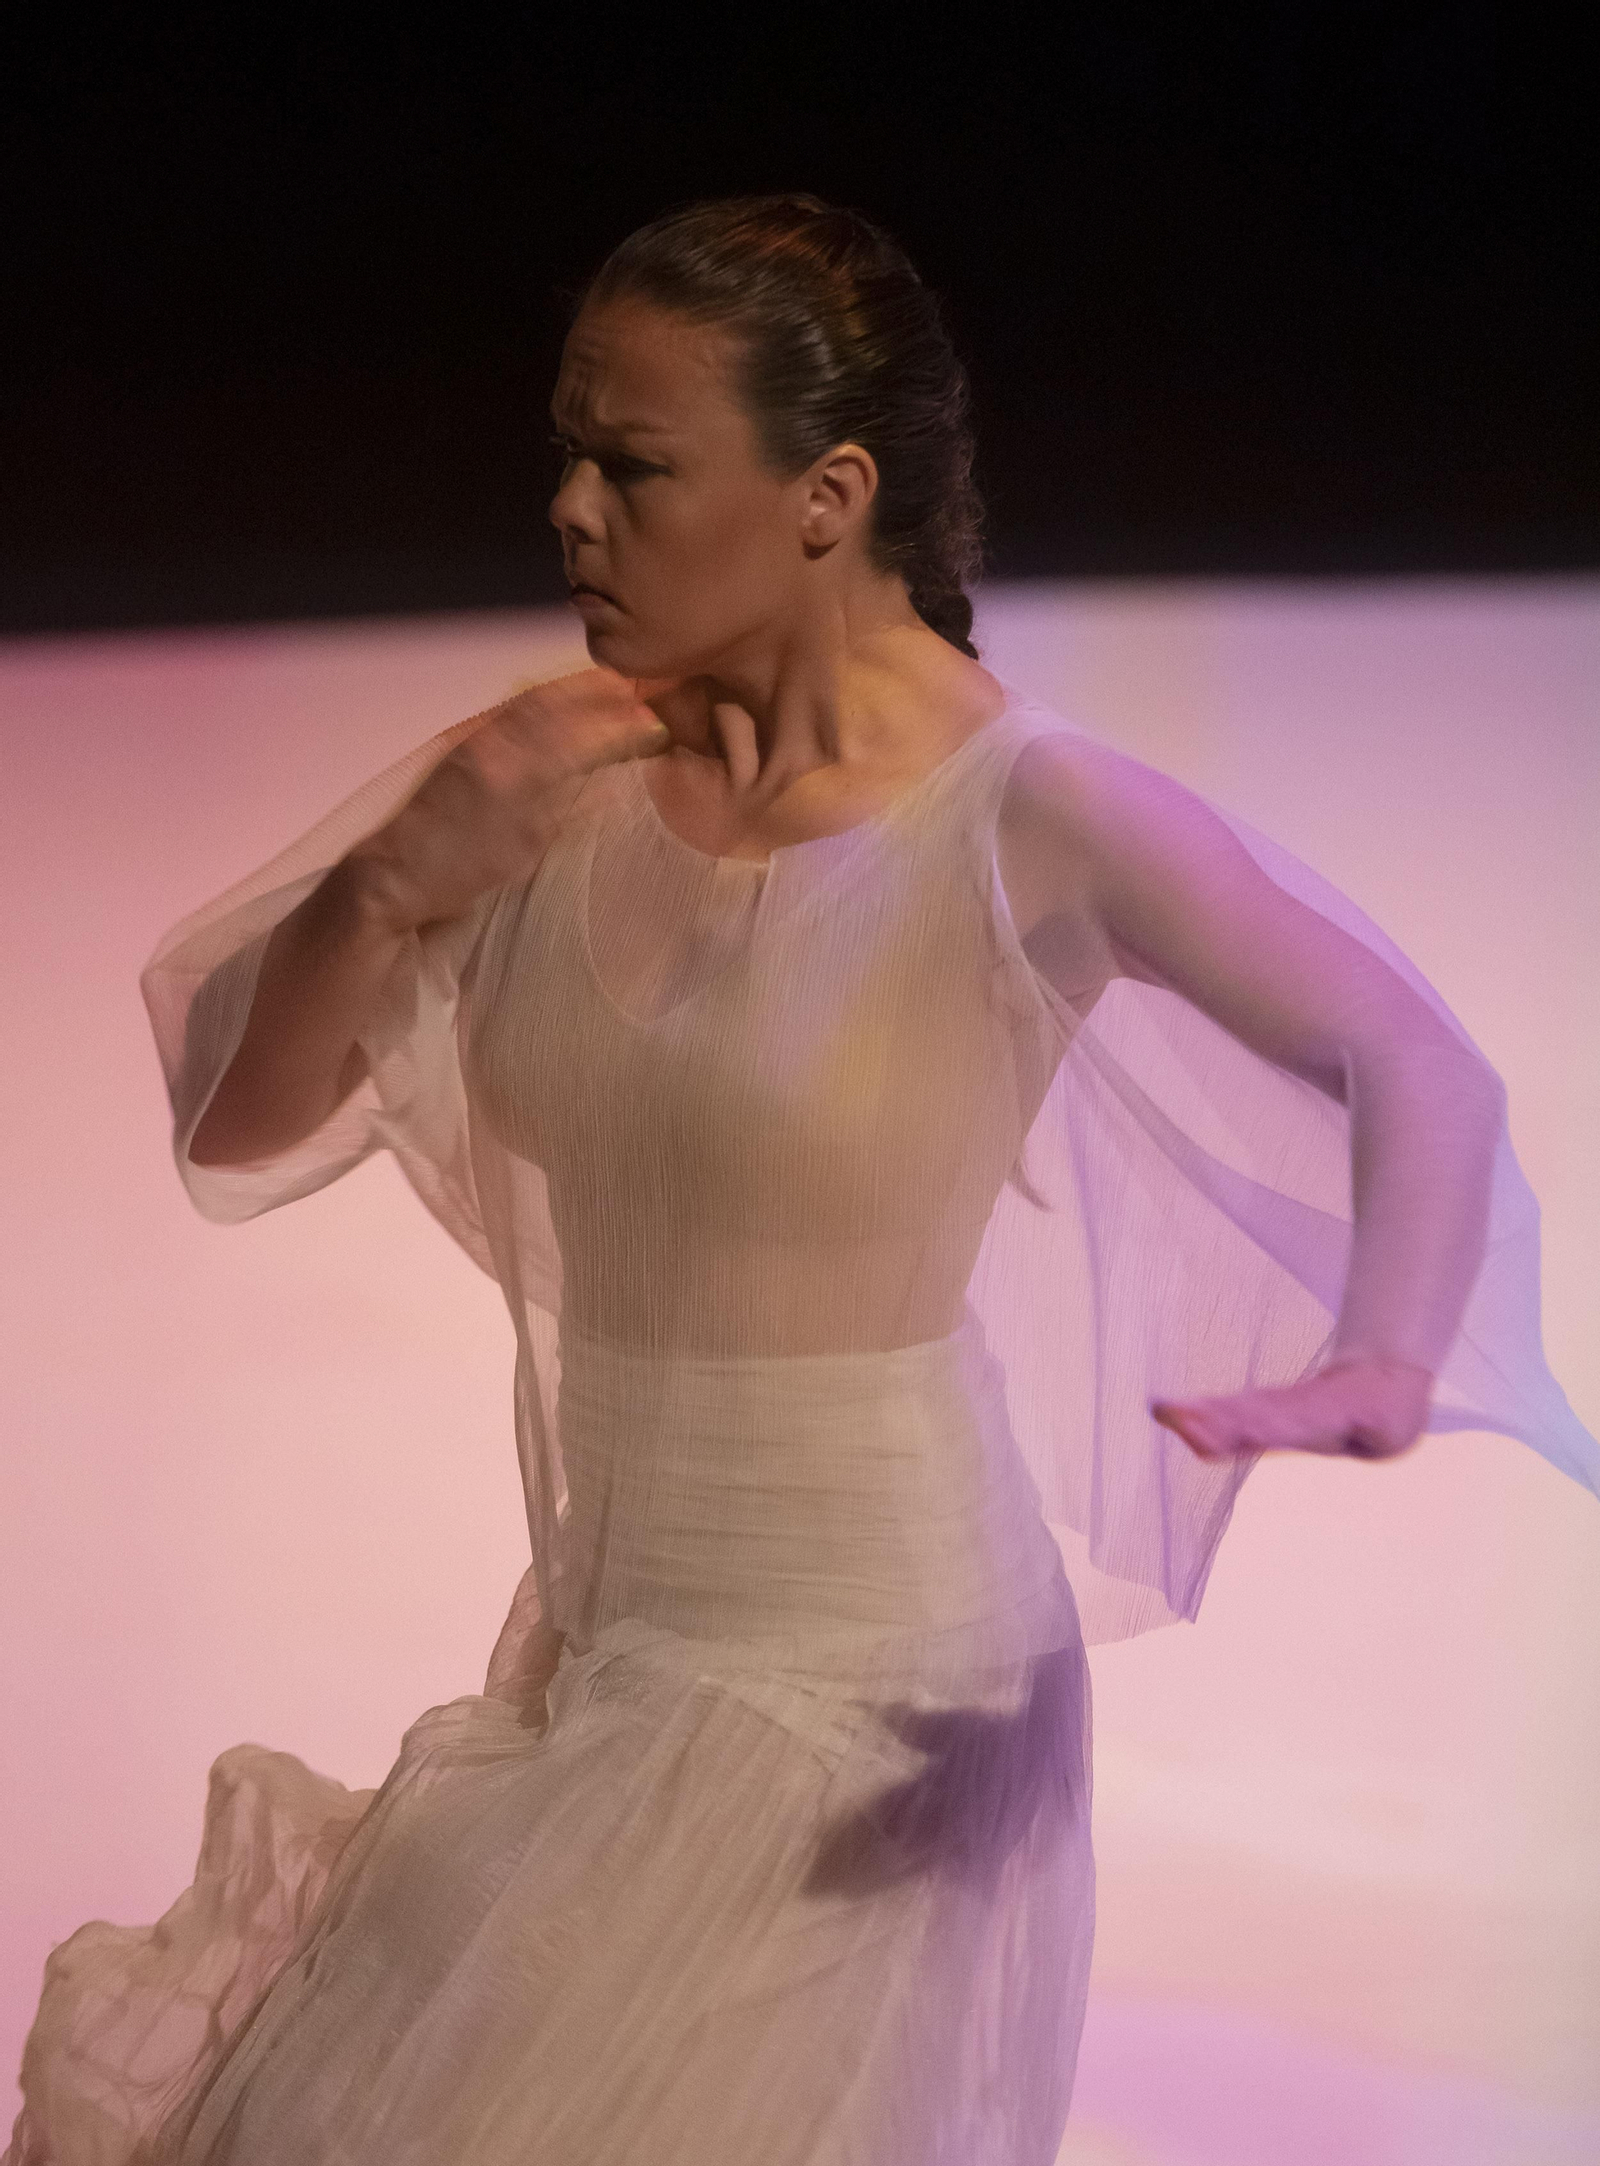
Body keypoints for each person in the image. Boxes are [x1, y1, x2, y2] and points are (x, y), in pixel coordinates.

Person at [7, 195, 1596, 2166]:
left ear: (828, 493)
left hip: (874, 1692)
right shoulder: (544, 775)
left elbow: (1407, 1055)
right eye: (565, 457)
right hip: (603, 1650)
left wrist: (1382, 1349)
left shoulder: (1025, 813)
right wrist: (399, 874)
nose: (574, 513)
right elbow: (241, 1130)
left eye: (636, 465)